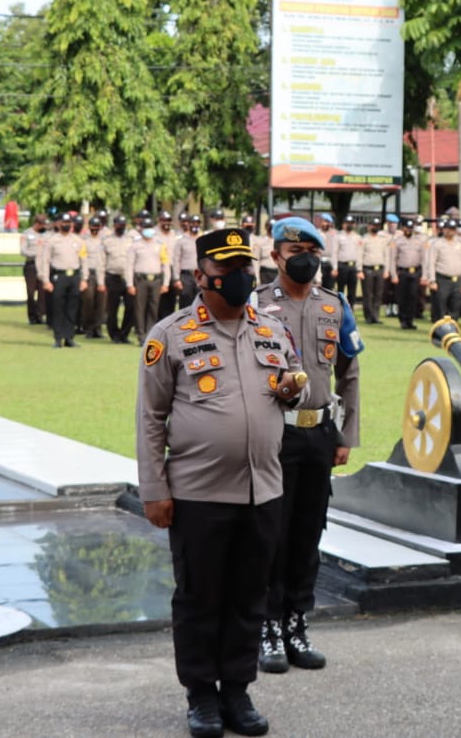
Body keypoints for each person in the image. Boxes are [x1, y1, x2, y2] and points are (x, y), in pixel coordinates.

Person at [137, 227, 307, 738]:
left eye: (244, 268)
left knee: (249, 595)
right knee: (200, 598)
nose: (239, 277)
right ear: (200, 276)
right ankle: (201, 696)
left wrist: (291, 390)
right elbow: (151, 418)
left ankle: (237, 689)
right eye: (227, 270)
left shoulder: (271, 328)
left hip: (263, 489)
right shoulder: (170, 335)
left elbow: (293, 384)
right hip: (198, 494)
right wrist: (154, 490)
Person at [256, 217, 363, 676]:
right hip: (273, 435)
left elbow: (349, 373)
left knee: (307, 534)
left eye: (313, 253)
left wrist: (346, 436)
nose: (305, 260)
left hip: (319, 434)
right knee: (270, 535)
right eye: (295, 252)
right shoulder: (256, 305)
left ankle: (297, 623)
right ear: (276, 256)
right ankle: (267, 626)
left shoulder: (334, 306)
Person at [38, 214, 89, 349]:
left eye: (68, 222)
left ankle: (69, 338)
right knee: (58, 308)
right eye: (64, 222)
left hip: (74, 277)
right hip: (59, 276)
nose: (66, 225)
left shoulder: (79, 241)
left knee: (72, 308)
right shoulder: (52, 241)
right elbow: (45, 261)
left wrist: (84, 279)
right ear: (59, 224)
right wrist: (46, 280)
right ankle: (58, 338)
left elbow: (84, 260)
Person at [126, 216, 171, 344]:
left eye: (150, 227)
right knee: (139, 308)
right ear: (141, 229)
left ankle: (150, 334)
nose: (148, 230)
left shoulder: (160, 245)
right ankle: (141, 335)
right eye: (145, 227)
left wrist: (166, 283)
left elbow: (165, 264)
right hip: (140, 280)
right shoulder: (135, 245)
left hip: (156, 280)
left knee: (153, 308)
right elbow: (129, 265)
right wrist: (130, 284)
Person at [426, 218, 461, 323]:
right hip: (442, 279)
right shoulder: (437, 244)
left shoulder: (460, 244)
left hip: (457, 280)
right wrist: (432, 280)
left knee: (455, 308)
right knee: (440, 308)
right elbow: (431, 263)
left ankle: (452, 330)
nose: (450, 231)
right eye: (448, 228)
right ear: (444, 229)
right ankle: (439, 330)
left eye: (453, 229)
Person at [103, 214, 135, 344]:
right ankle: (114, 335)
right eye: (119, 224)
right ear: (114, 225)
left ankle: (124, 334)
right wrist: (101, 280)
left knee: (131, 307)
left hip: (128, 278)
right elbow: (102, 261)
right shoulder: (107, 241)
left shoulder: (131, 240)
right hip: (113, 276)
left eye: (123, 224)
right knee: (112, 308)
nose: (121, 227)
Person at [388, 218, 425, 330]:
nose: (409, 230)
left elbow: (424, 259)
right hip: (402, 272)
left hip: (415, 272)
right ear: (403, 229)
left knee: (413, 297)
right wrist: (393, 275)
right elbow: (392, 259)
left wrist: (424, 275)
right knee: (402, 297)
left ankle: (410, 320)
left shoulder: (419, 241)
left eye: (410, 228)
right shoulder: (397, 241)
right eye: (407, 228)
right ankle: (403, 320)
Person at [80, 216, 107, 339]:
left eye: (97, 226)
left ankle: (98, 328)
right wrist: (84, 277)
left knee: (101, 303)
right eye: (93, 226)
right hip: (89, 274)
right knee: (88, 301)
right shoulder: (84, 241)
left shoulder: (104, 241)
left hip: (102, 274)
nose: (95, 229)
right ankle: (88, 328)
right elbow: (83, 259)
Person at [21, 214, 49, 325]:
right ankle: (32, 316)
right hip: (31, 266)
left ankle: (40, 315)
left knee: (43, 292)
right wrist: (38, 254)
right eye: (42, 225)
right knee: (30, 292)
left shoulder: (46, 235)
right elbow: (23, 250)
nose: (44, 227)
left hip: (43, 266)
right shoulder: (26, 234)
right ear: (37, 224)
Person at [359, 217, 389, 324]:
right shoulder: (364, 239)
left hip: (379, 269)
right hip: (368, 269)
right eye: (373, 225)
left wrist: (386, 270)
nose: (375, 227)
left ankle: (376, 316)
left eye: (377, 225)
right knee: (367, 294)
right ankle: (368, 316)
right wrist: (359, 270)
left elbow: (386, 255)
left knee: (378, 294)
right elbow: (359, 255)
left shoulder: (382, 239)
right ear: (369, 227)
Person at [332, 215, 363, 309]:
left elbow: (359, 254)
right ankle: (340, 310)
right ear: (343, 224)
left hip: (353, 267)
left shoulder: (357, 237)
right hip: (342, 266)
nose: (349, 225)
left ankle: (351, 310)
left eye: (351, 223)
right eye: (347, 223)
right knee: (341, 290)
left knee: (352, 291)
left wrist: (359, 269)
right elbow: (334, 252)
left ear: (354, 225)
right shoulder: (338, 236)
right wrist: (334, 268)